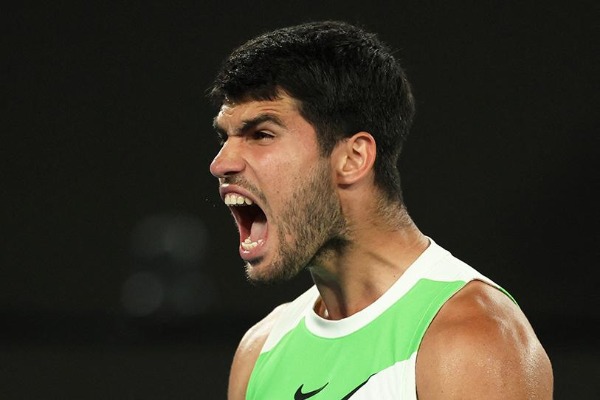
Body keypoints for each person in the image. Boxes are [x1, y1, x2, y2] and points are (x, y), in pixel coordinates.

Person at [208, 20, 553, 399]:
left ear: (353, 158)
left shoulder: (471, 340)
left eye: (261, 134)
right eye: (225, 137)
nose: (221, 163)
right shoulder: (258, 350)